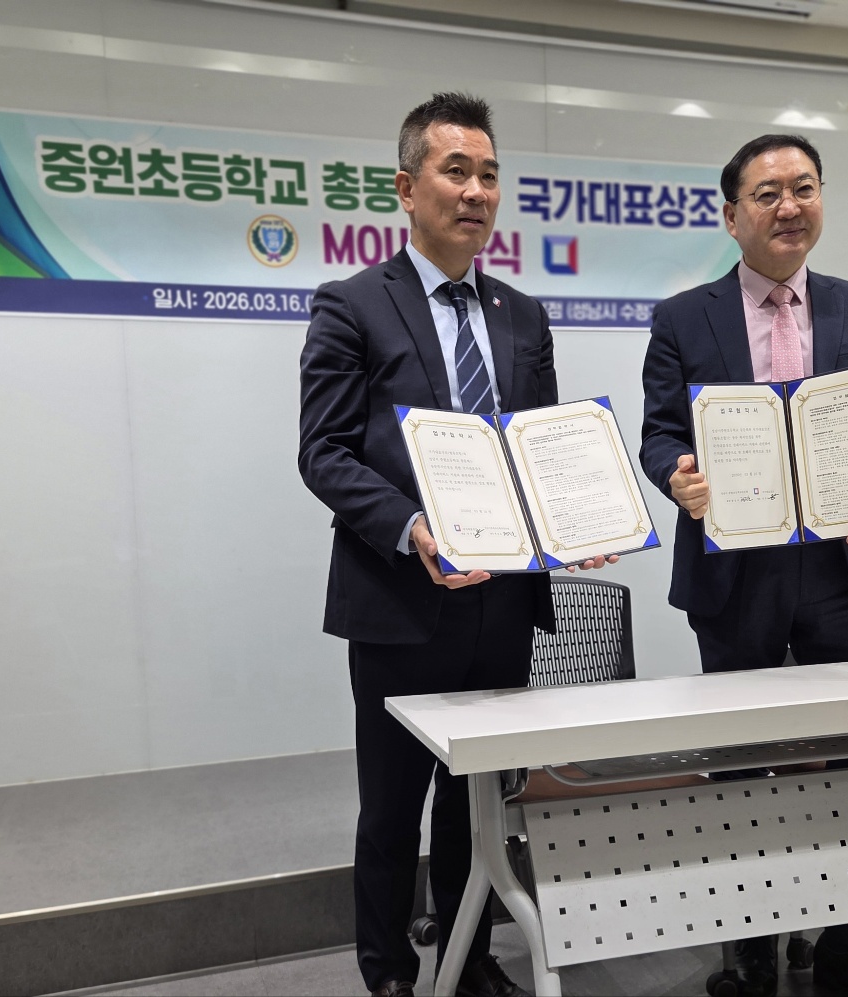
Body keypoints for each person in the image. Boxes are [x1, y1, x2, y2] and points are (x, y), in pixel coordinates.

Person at [299, 92, 612, 997]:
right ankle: (390, 974)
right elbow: (323, 451)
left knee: (475, 802)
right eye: (455, 171)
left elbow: (539, 447)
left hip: (503, 599)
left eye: (489, 175)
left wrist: (573, 521)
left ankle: (468, 962)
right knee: (392, 806)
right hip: (400, 597)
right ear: (407, 188)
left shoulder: (522, 314)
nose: (476, 192)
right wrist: (411, 527)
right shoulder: (353, 304)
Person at [639, 134, 848, 997]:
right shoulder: (682, 317)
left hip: (840, 575)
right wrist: (678, 476)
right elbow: (659, 434)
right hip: (735, 576)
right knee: (740, 765)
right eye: (767, 194)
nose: (789, 206)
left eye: (804, 188)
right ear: (732, 217)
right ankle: (751, 945)